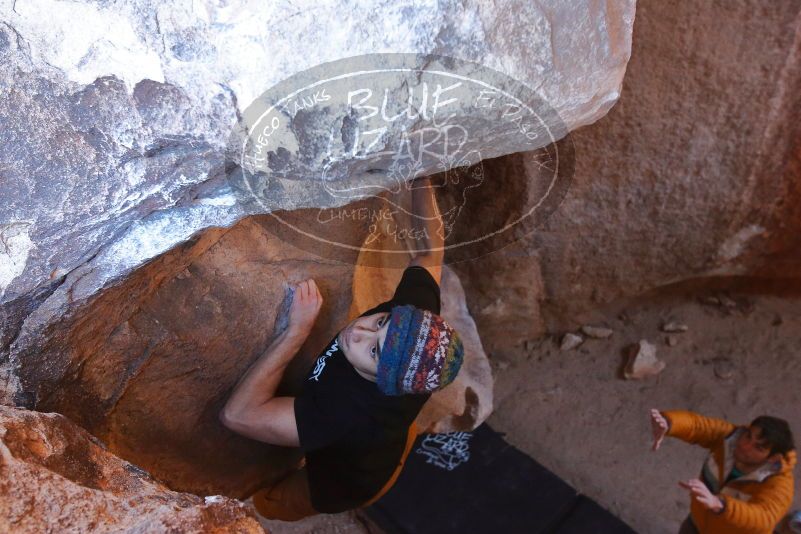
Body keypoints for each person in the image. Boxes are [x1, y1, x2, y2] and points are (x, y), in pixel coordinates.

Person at [219, 176, 464, 520]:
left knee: (270, 502)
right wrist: (419, 174)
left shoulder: (345, 415)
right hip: (385, 441)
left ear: (387, 382)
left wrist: (297, 330)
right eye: (381, 322)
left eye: (375, 352)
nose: (360, 331)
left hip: (347, 483)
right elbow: (430, 250)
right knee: (384, 440)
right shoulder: (413, 326)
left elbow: (237, 415)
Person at [650, 408, 796, 534]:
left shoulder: (780, 485)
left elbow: (763, 518)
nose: (745, 446)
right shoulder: (730, 438)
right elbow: (698, 426)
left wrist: (719, 504)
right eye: (748, 436)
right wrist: (669, 423)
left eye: (758, 448)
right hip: (696, 523)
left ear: (773, 458)